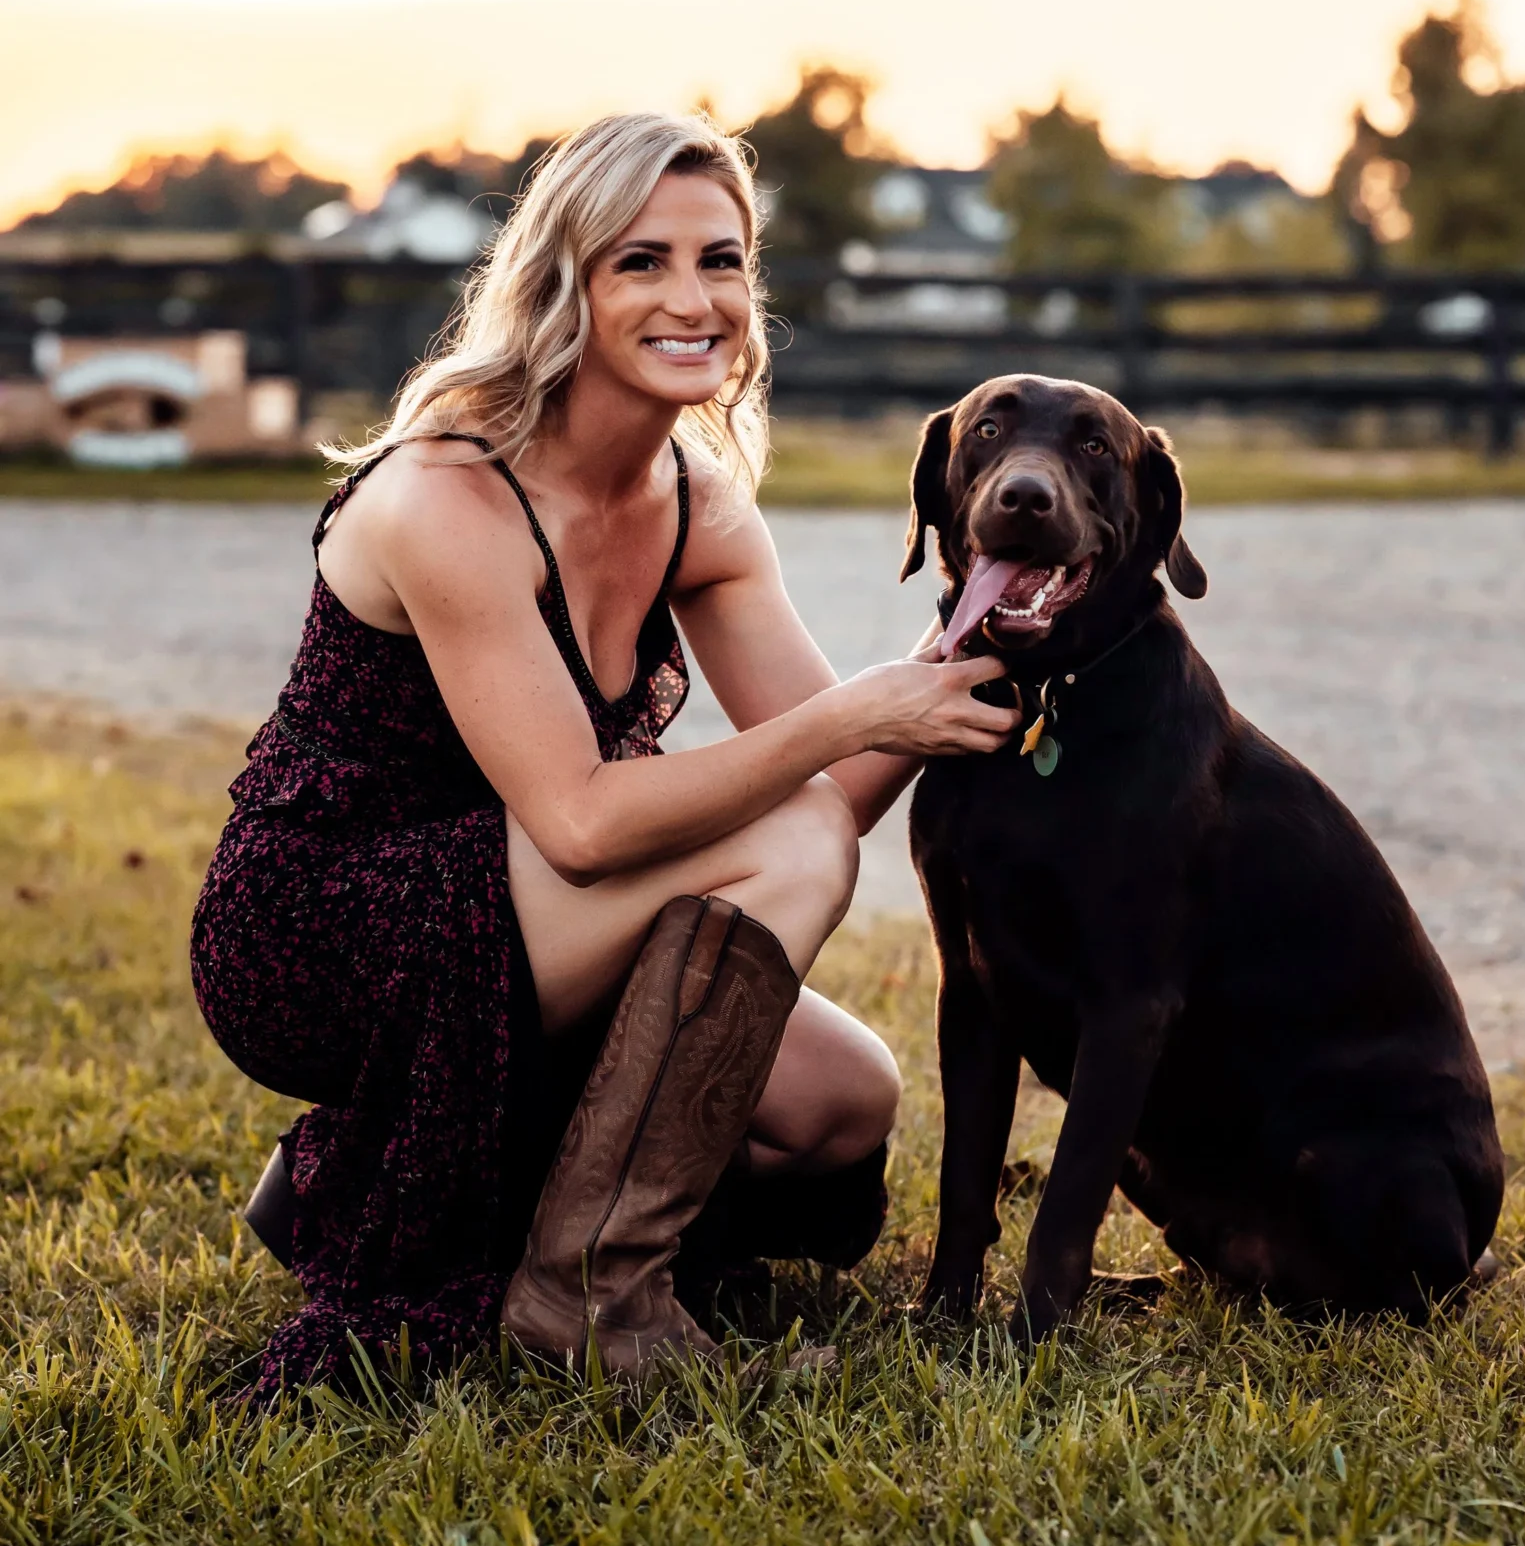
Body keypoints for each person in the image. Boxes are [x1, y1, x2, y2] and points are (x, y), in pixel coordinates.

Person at [191, 111, 1016, 1394]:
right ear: (562, 284)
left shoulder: (697, 505)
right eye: (641, 261)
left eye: (721, 260)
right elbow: (581, 823)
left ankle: (364, 1179)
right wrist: (854, 711)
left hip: (527, 912)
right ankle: (592, 1295)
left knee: (842, 1100)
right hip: (325, 927)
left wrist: (968, 619)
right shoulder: (448, 496)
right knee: (784, 831)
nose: (693, 299)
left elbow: (840, 791)